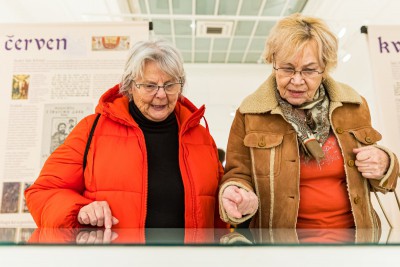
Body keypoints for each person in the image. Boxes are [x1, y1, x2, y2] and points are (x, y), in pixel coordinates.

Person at [219, 13, 399, 235]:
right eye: (287, 68)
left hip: (356, 245)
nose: (296, 80)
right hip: (282, 249)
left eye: (309, 70)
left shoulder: (354, 105)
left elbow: (379, 179)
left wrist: (385, 163)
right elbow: (237, 174)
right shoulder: (250, 113)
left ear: (325, 68)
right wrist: (238, 193)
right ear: (273, 62)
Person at [25, 39, 225, 231]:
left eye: (170, 85)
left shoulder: (202, 138)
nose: (161, 94)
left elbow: (219, 214)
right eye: (149, 86)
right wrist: (79, 210)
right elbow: (42, 193)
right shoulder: (91, 131)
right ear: (130, 86)